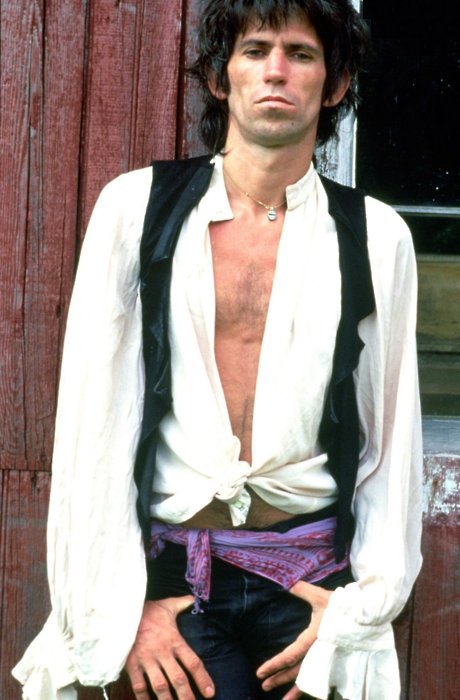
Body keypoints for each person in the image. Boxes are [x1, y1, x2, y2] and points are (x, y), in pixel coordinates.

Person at [13, 1, 423, 699]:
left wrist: (357, 612)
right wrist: (121, 609)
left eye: (300, 54)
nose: (276, 71)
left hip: (313, 584)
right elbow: (94, 427)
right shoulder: (136, 210)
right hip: (174, 582)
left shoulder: (376, 237)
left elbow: (391, 442)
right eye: (255, 50)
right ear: (219, 78)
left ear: (334, 86)